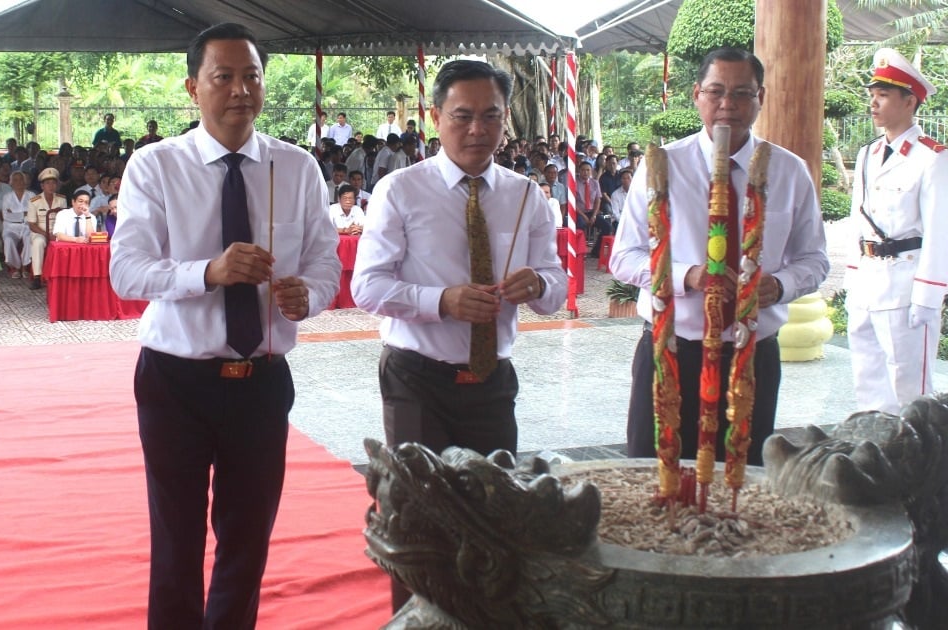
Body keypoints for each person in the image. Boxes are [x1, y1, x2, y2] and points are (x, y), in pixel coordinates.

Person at [109, 22, 340, 629]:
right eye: (224, 77)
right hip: (176, 380)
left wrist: (306, 295)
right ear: (193, 87)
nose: (240, 89)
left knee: (248, 540)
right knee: (177, 536)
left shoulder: (296, 167)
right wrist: (207, 272)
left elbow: (325, 263)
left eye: (251, 76)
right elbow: (127, 272)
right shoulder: (156, 166)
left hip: (262, 380)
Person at [350, 59, 567, 612]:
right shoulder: (401, 190)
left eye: (490, 116)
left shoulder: (525, 196)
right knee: (416, 520)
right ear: (436, 116)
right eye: (462, 116)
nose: (477, 130)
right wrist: (440, 300)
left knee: (493, 512)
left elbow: (558, 287)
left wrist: (537, 282)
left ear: (505, 119)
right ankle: (417, 620)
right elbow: (367, 287)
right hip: (417, 377)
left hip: (492, 377)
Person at [609, 47, 828, 467]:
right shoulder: (661, 165)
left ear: (760, 97)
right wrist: (686, 276)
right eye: (716, 91)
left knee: (741, 480)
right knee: (655, 471)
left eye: (742, 93)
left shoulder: (789, 170)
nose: (728, 104)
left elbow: (814, 260)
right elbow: (624, 257)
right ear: (696, 95)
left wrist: (779, 285)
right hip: (672, 348)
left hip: (752, 353)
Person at [845, 48, 948, 415]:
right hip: (867, 283)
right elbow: (860, 220)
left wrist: (929, 297)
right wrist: (851, 280)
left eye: (883, 96)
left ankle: (920, 468)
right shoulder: (867, 154)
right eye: (872, 95)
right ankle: (877, 456)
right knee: (868, 381)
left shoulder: (932, 157)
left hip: (905, 284)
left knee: (911, 390)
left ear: (909, 101)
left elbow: (940, 233)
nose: (873, 103)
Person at [27, 167, 68, 289]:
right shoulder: (34, 201)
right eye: (48, 183)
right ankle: (37, 277)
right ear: (42, 186)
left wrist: (57, 233)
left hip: (57, 231)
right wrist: (46, 234)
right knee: (38, 243)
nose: (51, 186)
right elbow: (32, 224)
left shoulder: (62, 199)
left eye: (54, 183)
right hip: (40, 232)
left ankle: (61, 275)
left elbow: (64, 219)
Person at [2, 171, 34, 278]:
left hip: (27, 225)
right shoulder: (7, 197)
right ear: (11, 183)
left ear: (25, 182)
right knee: (8, 240)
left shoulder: (31, 195)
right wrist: (24, 213)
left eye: (21, 179)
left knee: (30, 238)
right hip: (10, 227)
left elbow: (33, 214)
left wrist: (15, 214)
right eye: (15, 180)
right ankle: (16, 267)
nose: (19, 182)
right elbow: (6, 216)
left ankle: (25, 267)